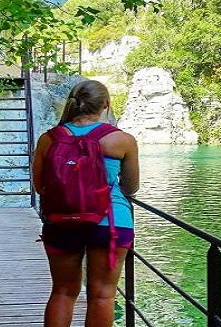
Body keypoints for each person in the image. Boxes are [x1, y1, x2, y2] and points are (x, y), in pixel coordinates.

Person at [32, 80, 140, 327]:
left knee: (62, 292)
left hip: (61, 221)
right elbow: (131, 187)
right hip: (110, 222)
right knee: (103, 295)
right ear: (105, 105)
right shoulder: (122, 140)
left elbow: (41, 186)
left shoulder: (49, 139)